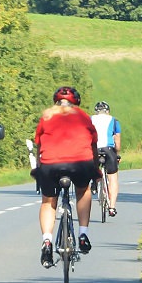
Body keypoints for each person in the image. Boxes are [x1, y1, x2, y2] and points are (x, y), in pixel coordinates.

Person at [34, 86, 98, 267]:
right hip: (80, 163)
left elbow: (38, 144)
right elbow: (93, 143)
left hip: (50, 164)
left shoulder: (46, 116)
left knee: (48, 201)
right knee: (83, 191)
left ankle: (47, 240)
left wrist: (40, 167)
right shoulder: (84, 116)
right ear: (76, 102)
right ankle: (83, 233)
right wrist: (95, 169)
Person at [90, 101, 122, 217]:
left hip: (94, 149)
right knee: (113, 178)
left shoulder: (90, 119)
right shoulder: (114, 121)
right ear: (108, 111)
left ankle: (96, 183)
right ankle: (112, 207)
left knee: (93, 168)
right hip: (109, 150)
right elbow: (117, 142)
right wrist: (117, 154)